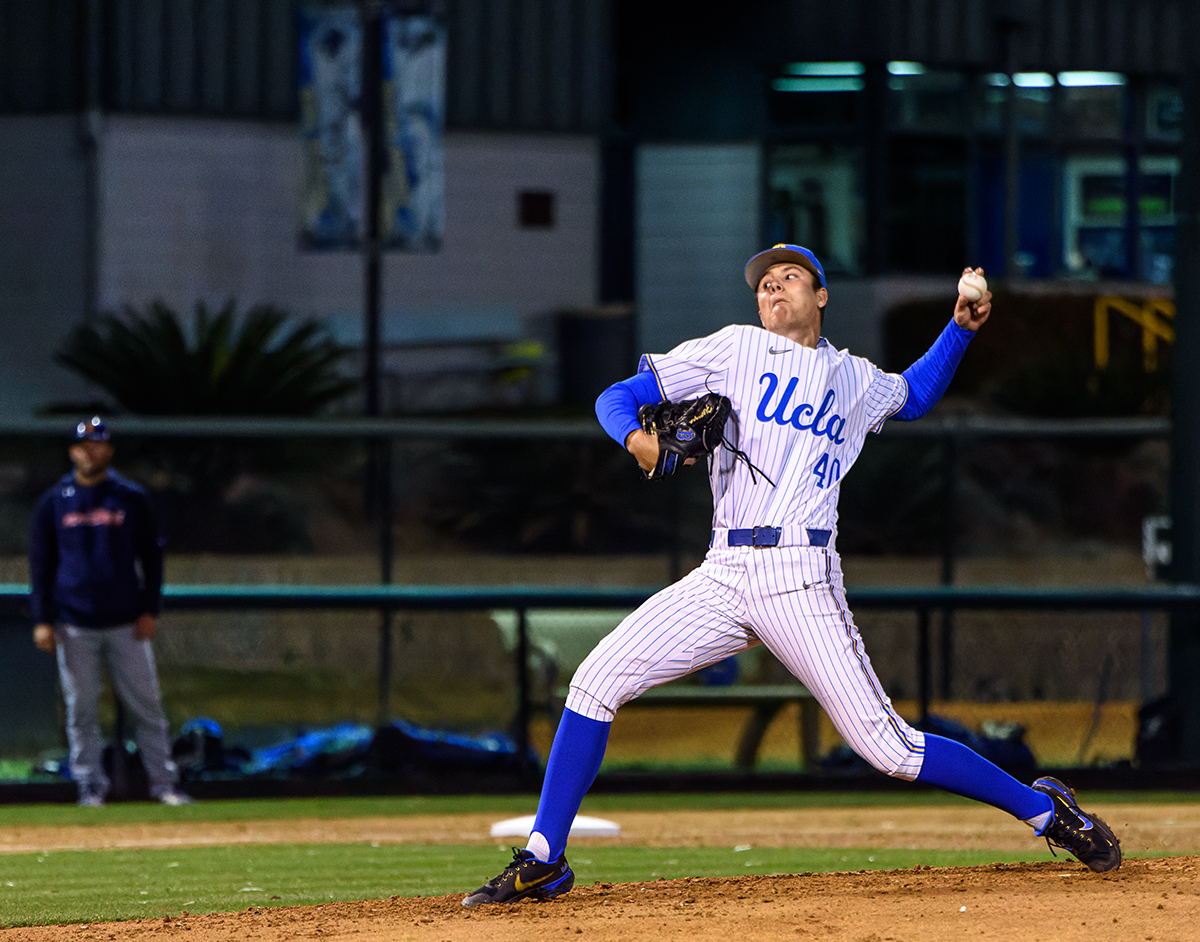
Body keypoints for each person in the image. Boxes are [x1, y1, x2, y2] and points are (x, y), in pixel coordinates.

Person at [461, 244, 1120, 907]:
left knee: (888, 750)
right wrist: (638, 438)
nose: (773, 289)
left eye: (789, 279)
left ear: (822, 296)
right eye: (764, 284)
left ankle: (1046, 811)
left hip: (801, 577)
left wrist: (960, 329)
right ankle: (546, 857)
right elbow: (620, 395)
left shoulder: (854, 378)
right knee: (597, 680)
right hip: (723, 573)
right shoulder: (732, 350)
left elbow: (914, 395)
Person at [29, 417, 192, 808]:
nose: (91, 451)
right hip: (74, 622)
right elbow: (41, 564)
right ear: (72, 451)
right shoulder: (56, 499)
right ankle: (90, 787)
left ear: (109, 450)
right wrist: (42, 619)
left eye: (98, 444)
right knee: (81, 709)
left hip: (126, 621)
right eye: (84, 445)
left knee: (148, 707)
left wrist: (150, 608)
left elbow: (152, 557)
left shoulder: (129, 497)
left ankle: (163, 784)